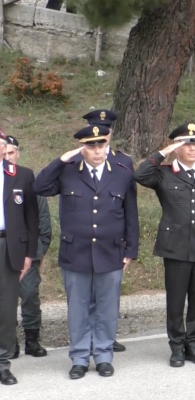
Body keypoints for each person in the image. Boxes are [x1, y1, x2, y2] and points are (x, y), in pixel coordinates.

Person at [35, 125, 139, 380]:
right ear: (82, 148)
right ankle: (80, 357)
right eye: (91, 146)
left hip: (111, 250)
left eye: (101, 145)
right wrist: (61, 160)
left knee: (107, 307)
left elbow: (131, 215)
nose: (97, 151)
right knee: (78, 309)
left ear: (107, 145)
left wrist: (130, 250)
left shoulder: (122, 174)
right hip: (76, 252)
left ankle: (103, 355)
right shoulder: (67, 172)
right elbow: (40, 186)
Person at [134, 123, 195, 367]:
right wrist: (163, 153)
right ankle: (176, 347)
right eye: (186, 143)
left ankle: (194, 345)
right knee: (175, 300)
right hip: (175, 246)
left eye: (194, 143)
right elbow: (140, 175)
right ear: (176, 147)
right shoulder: (164, 172)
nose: (192, 148)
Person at [82, 109, 132, 353]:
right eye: (96, 128)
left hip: (112, 243)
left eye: (106, 130)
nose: (102, 135)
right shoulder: (78, 162)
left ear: (111, 132)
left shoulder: (123, 163)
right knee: (86, 294)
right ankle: (88, 339)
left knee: (108, 297)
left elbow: (130, 210)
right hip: (84, 242)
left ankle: (107, 338)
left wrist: (131, 246)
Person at [4, 136, 51, 359]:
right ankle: (9, 343)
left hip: (26, 251)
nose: (8, 156)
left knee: (30, 295)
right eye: (6, 152)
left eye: (11, 152)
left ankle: (32, 339)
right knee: (5, 299)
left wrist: (37, 251)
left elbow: (40, 220)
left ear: (17, 154)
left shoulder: (25, 178)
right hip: (6, 248)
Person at [0, 131, 39, 386]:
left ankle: (2, 363)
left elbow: (31, 218)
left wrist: (29, 254)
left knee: (5, 309)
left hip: (8, 247)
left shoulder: (21, 175)